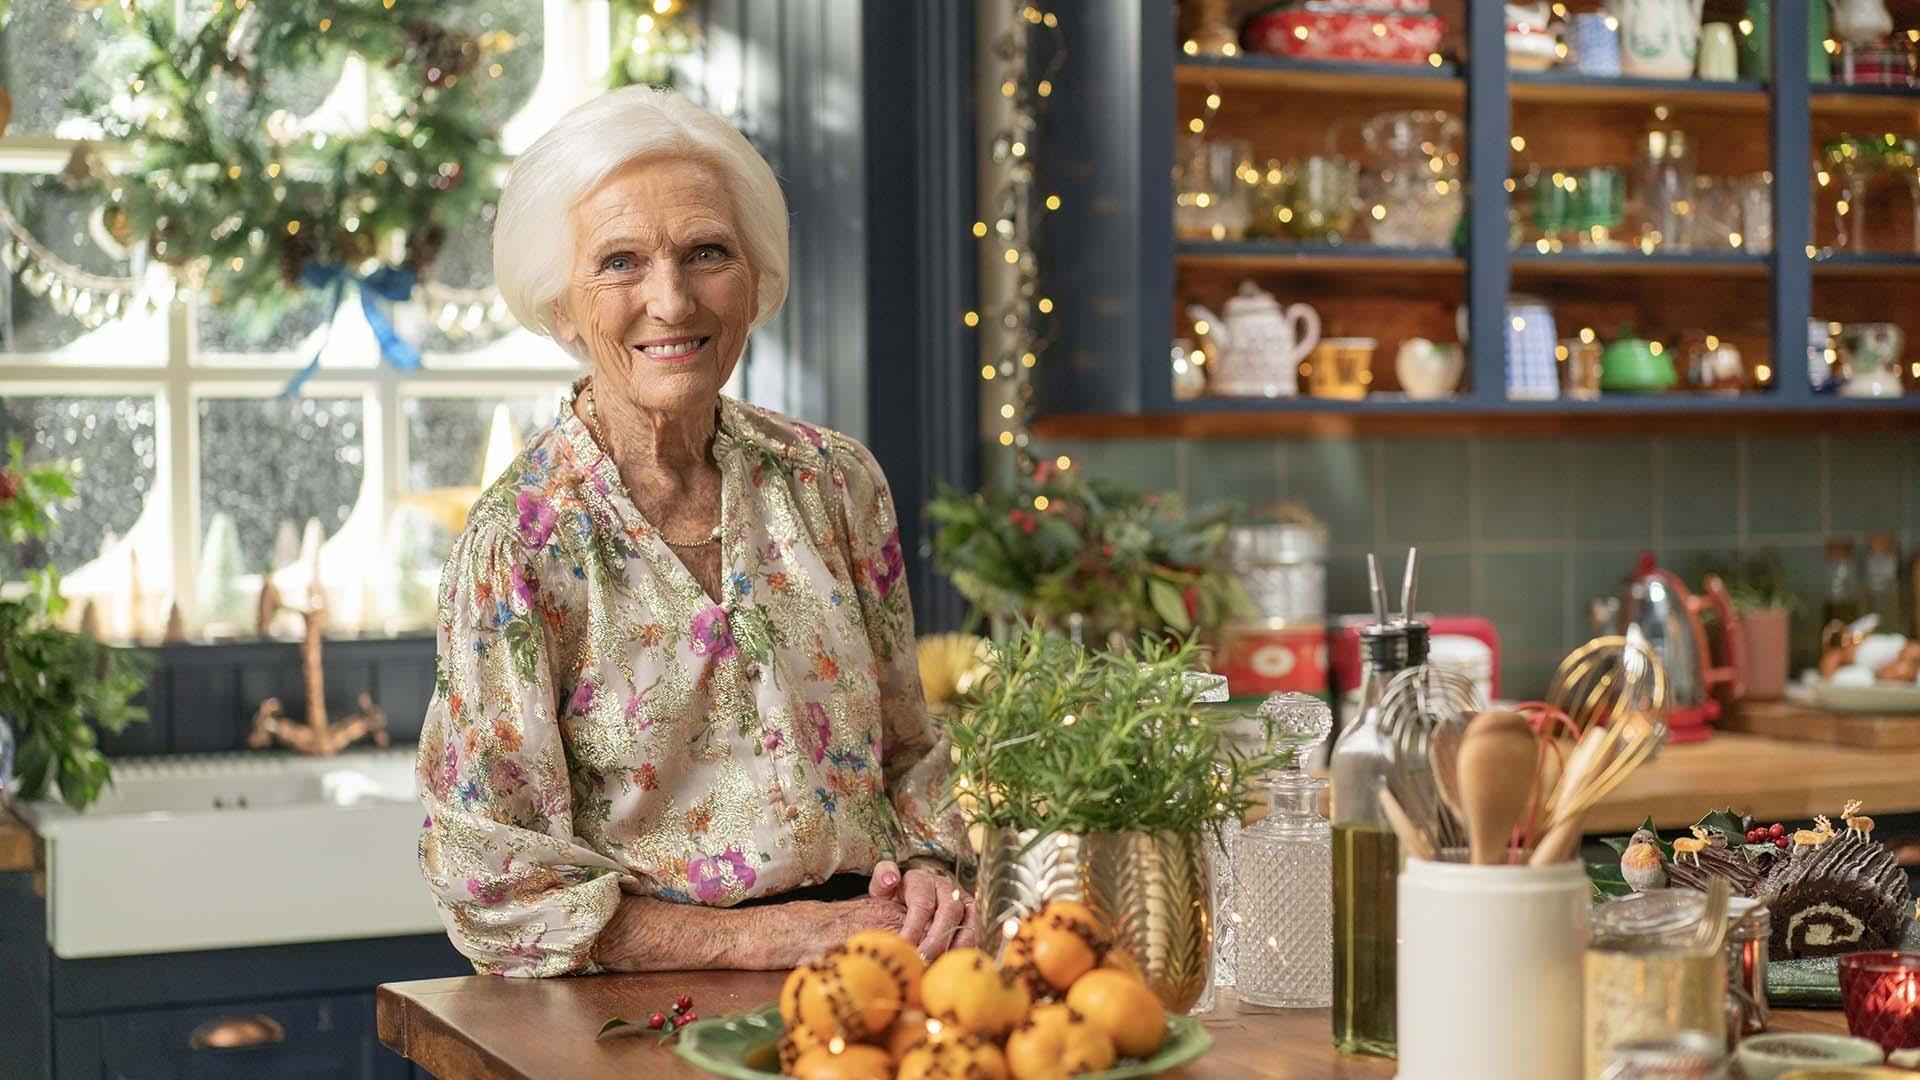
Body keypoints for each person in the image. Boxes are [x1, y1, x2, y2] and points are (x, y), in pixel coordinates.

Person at [414, 86, 968, 977]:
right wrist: (763, 940)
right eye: (622, 262)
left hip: (872, 972)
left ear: (756, 280)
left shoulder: (836, 483)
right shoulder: (519, 542)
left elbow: (910, 756)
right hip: (646, 1004)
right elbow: (496, 889)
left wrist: (937, 866)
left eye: (707, 252)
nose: (671, 302)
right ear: (564, 306)